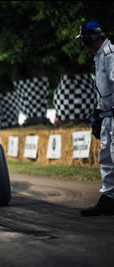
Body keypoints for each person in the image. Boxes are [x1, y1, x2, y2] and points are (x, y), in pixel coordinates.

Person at [76, 21, 114, 216]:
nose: (83, 45)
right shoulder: (100, 56)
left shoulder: (110, 54)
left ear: (89, 38)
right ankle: (109, 199)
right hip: (107, 115)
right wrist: (98, 112)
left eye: (83, 40)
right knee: (106, 158)